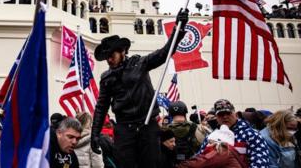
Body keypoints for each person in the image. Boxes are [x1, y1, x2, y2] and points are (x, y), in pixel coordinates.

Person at [90, 9, 189, 168]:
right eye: (106, 57)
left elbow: (164, 53)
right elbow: (101, 107)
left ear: (122, 52)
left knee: (150, 164)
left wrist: (178, 30)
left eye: (112, 55)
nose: (109, 60)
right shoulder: (106, 78)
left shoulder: (140, 63)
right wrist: (94, 134)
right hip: (124, 129)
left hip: (147, 125)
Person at [198, 99, 269, 168]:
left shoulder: (251, 134)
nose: (225, 117)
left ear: (235, 114)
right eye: (221, 114)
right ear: (216, 117)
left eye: (228, 113)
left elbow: (260, 161)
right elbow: (200, 159)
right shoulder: (211, 137)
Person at [178, 125, 248, 168]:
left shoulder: (222, 151)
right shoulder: (229, 151)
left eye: (209, 142)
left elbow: (199, 163)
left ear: (217, 142)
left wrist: (180, 165)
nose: (207, 145)